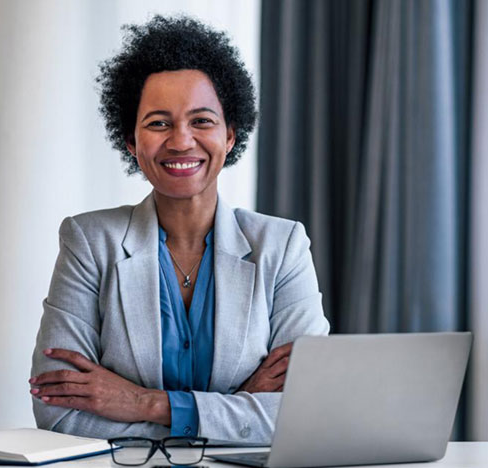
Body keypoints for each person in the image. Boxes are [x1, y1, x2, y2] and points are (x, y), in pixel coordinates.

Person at [29, 15, 329, 446]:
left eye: (202, 121)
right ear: (131, 142)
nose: (181, 141)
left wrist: (144, 403)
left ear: (230, 135)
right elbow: (58, 413)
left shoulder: (282, 247)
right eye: (158, 123)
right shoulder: (89, 242)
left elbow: (309, 410)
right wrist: (237, 407)